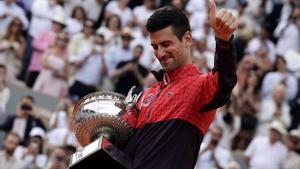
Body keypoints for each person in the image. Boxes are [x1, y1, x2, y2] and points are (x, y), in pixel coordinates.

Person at [120, 1, 238, 168]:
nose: (160, 53)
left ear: (187, 39)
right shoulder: (146, 95)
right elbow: (124, 148)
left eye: (166, 44)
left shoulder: (201, 87)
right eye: (155, 47)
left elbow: (225, 81)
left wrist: (224, 42)